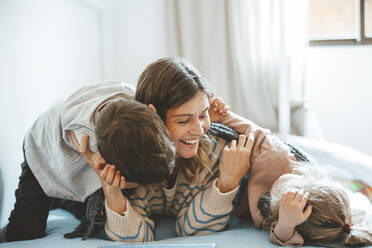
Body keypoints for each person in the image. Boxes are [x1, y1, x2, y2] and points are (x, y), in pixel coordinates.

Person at [4, 81, 175, 242]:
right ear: (108, 165)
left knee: (91, 200)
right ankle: (57, 198)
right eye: (135, 183)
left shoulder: (137, 108)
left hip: (82, 136)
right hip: (42, 151)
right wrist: (101, 171)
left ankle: (65, 200)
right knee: (25, 231)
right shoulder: (87, 140)